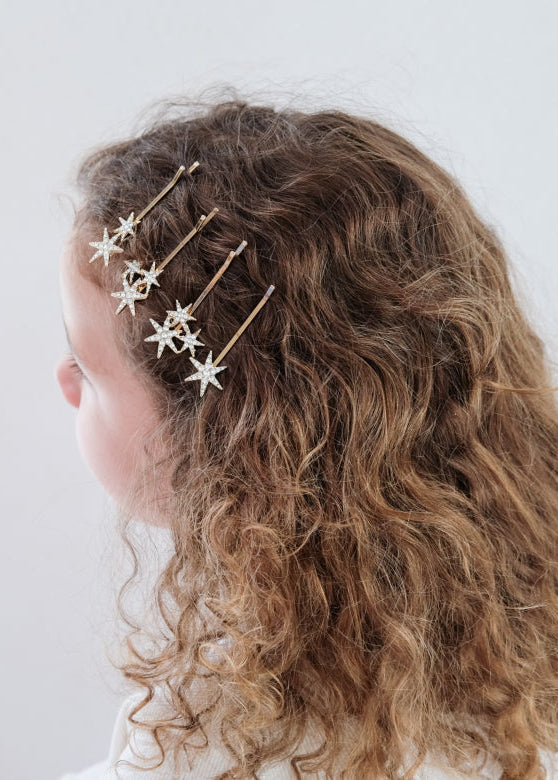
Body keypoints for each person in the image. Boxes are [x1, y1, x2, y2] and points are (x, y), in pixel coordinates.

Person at [56, 98, 558, 779]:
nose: (64, 379)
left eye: (86, 365)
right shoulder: (520, 668)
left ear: (223, 436)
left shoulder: (204, 742)